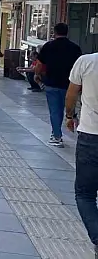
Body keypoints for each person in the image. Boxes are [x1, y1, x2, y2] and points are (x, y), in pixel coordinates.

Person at [64, 51, 98, 256]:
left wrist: (70, 115)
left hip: (90, 136)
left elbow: (71, 93)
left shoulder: (87, 61)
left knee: (85, 194)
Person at [34, 23, 82, 147]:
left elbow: (39, 64)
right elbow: (79, 67)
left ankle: (57, 136)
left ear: (54, 33)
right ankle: (77, 128)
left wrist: (37, 75)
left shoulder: (48, 46)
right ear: (67, 32)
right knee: (70, 107)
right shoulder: (75, 48)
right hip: (70, 84)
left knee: (55, 111)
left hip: (52, 83)